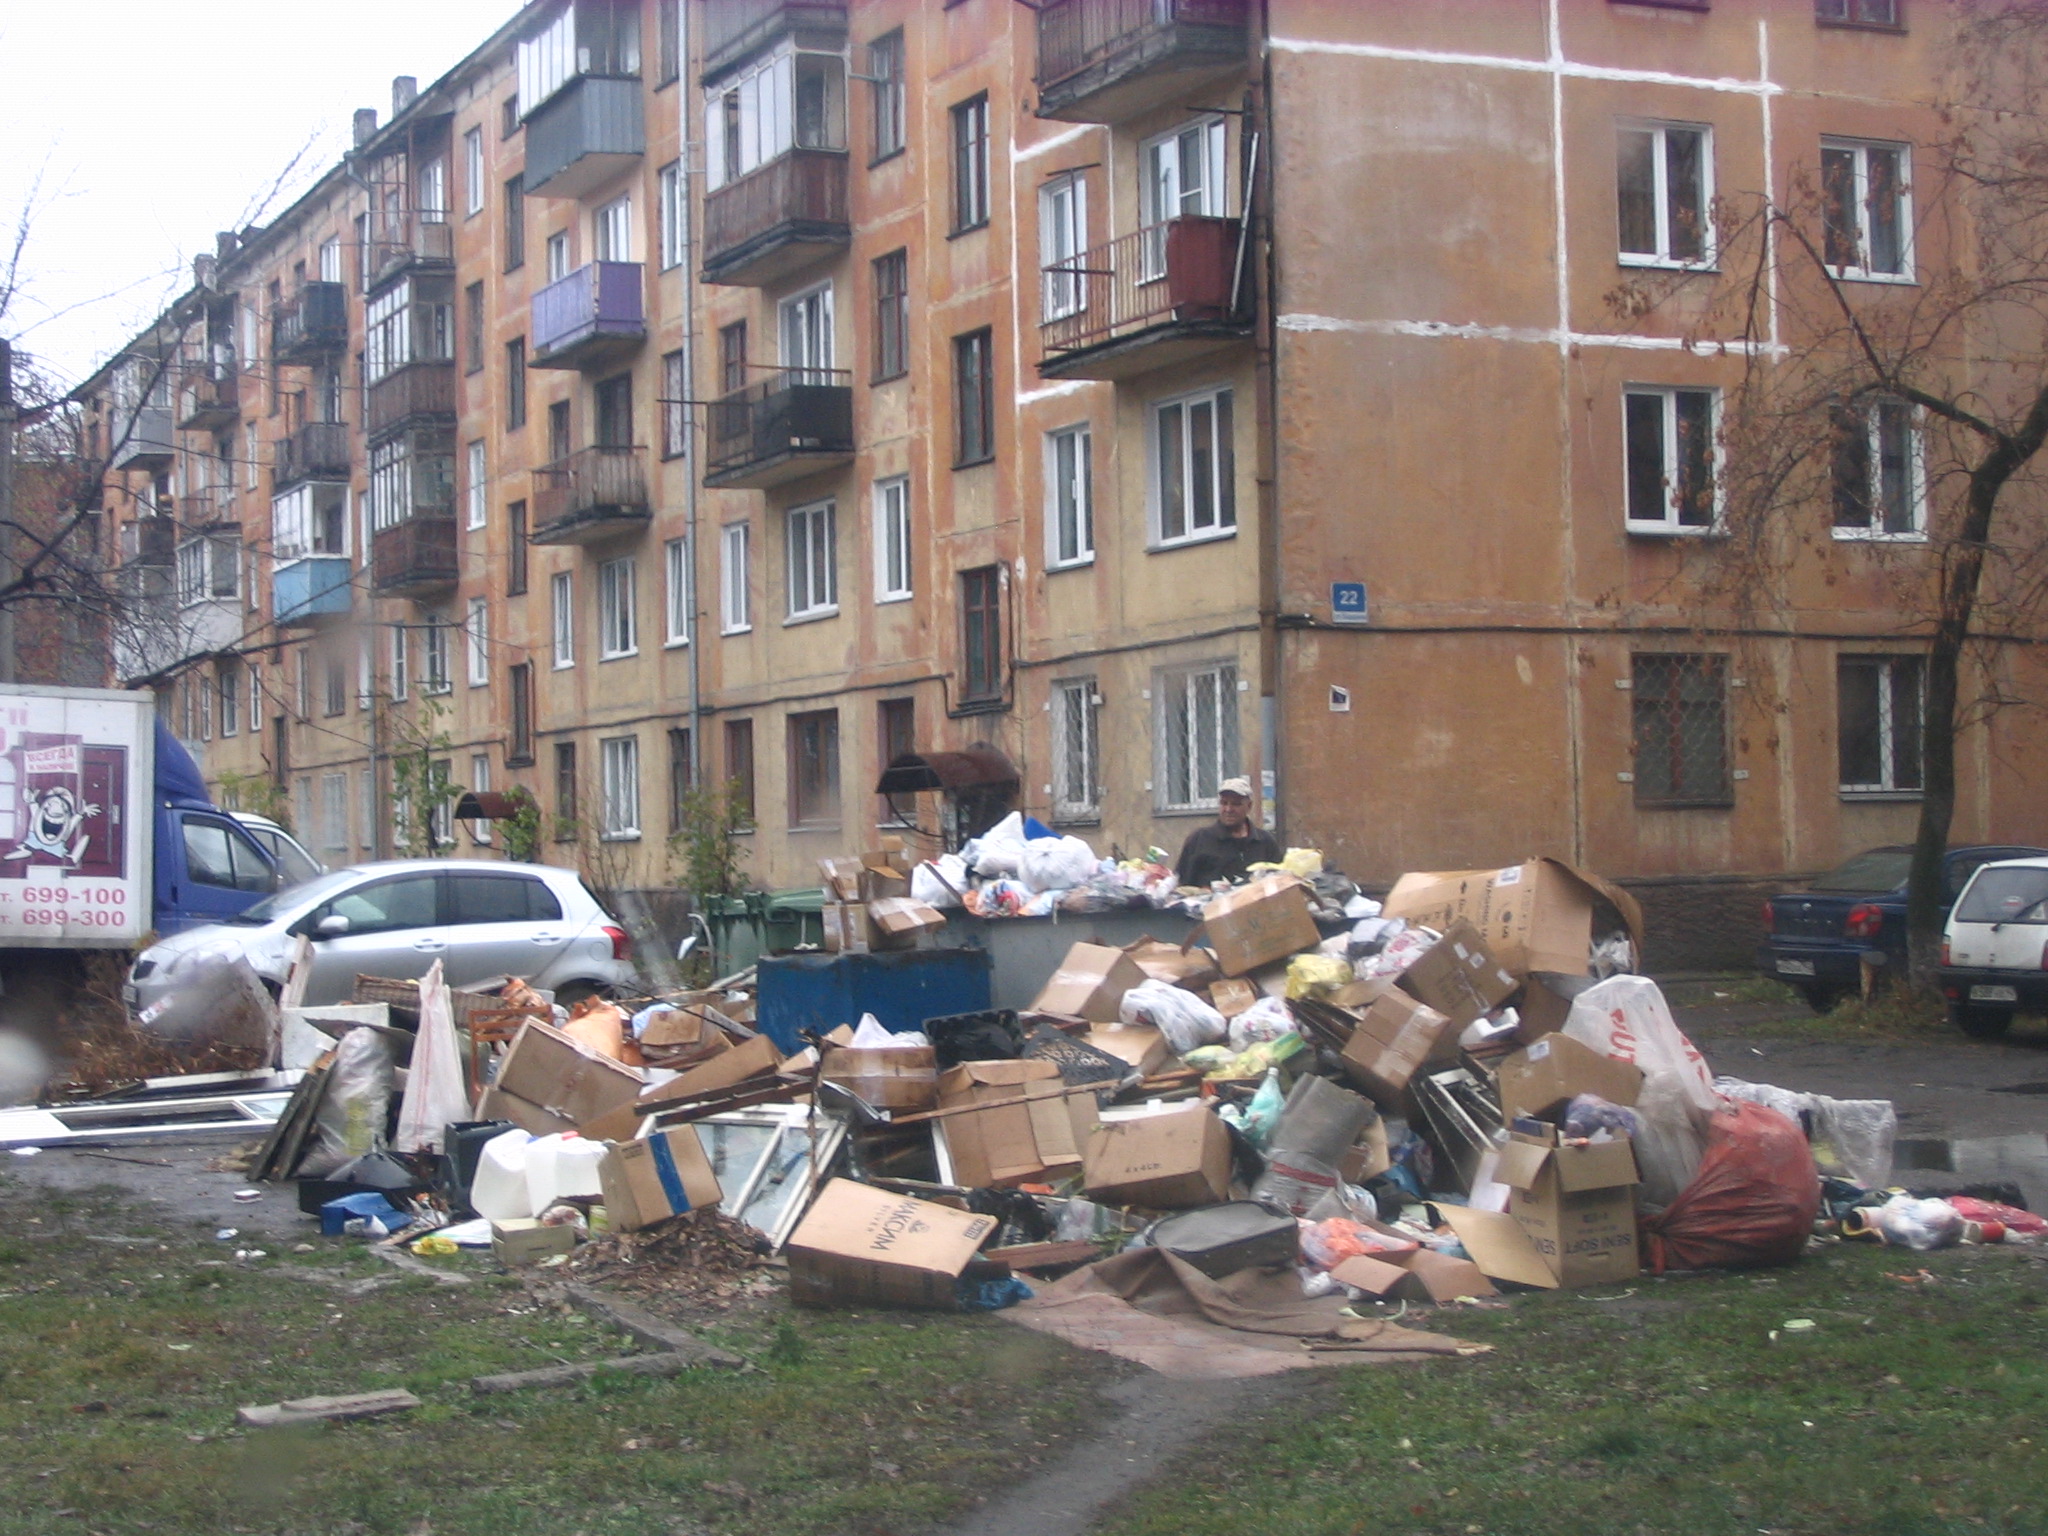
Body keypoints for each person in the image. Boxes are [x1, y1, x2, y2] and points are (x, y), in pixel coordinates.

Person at [1175, 777, 1281, 888]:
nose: (1228, 809)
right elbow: (1182, 883)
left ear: (1249, 806)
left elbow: (1279, 882)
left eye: (1236, 804)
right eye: (1224, 803)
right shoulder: (1199, 840)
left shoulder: (1264, 842)